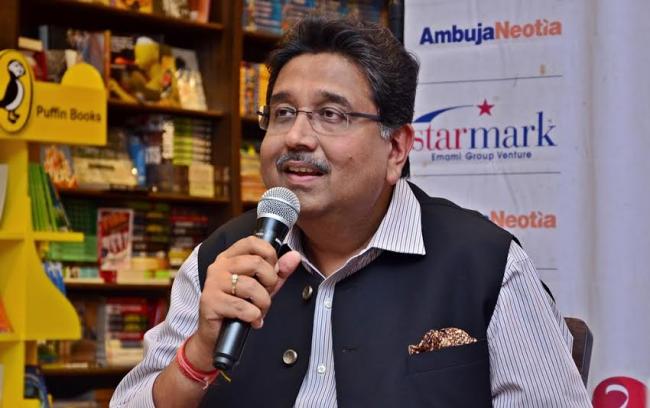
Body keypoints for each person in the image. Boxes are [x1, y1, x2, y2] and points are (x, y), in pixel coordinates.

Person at [111, 14, 591, 407]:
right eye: (282, 113)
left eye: (331, 115)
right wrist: (198, 353)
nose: (297, 137)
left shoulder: (486, 264)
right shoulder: (220, 259)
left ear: (396, 148)